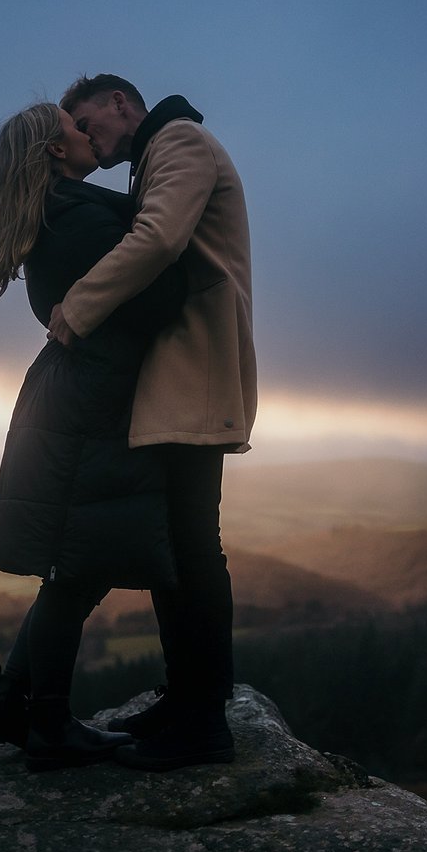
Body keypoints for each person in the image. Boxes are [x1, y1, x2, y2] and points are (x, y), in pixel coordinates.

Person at [0, 101, 188, 773]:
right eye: (72, 124)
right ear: (55, 151)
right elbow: (159, 297)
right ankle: (50, 724)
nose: (85, 130)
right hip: (90, 403)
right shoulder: (80, 217)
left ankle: (10, 704)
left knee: (76, 562)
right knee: (75, 565)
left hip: (74, 395)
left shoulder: (58, 213)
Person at [49, 74, 255, 772]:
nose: (85, 136)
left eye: (86, 120)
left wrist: (75, 309)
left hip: (194, 369)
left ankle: (203, 721)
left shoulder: (180, 142)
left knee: (193, 549)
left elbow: (160, 236)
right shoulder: (159, 153)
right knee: (178, 548)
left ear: (119, 103)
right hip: (181, 372)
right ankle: (189, 701)